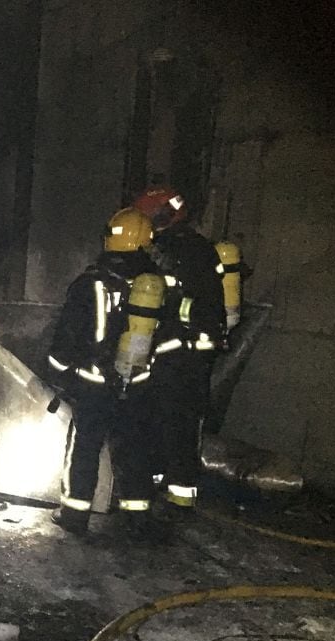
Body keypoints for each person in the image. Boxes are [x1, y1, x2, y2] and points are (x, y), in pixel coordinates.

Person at [47, 208, 166, 534]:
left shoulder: (89, 284)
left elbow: (66, 339)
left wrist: (58, 373)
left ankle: (74, 516)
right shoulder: (153, 285)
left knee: (85, 448)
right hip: (137, 384)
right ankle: (138, 516)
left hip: (95, 386)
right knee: (134, 449)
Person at [133, 186, 225, 513]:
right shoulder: (204, 249)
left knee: (161, 417)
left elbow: (163, 304)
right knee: (184, 423)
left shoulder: (166, 252)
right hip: (198, 353)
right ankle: (179, 492)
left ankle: (164, 488)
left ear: (162, 218)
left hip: (174, 351)